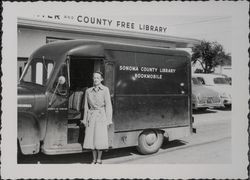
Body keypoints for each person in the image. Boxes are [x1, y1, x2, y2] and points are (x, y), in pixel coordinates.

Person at [81, 71, 113, 164]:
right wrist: (85, 119)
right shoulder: (88, 91)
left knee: (100, 139)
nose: (95, 79)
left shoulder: (105, 90)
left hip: (101, 116)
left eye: (98, 78)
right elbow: (86, 107)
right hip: (91, 117)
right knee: (91, 139)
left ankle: (99, 159)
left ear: (101, 79)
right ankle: (93, 159)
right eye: (94, 78)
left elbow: (108, 105)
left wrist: (108, 120)